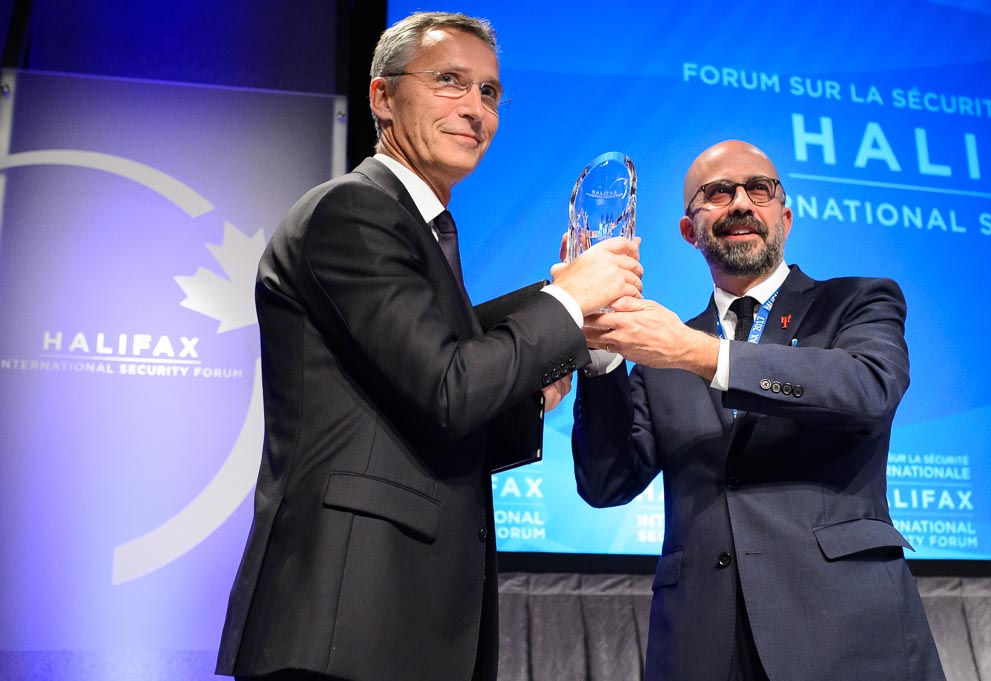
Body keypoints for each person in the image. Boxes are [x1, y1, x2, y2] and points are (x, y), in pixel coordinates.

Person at [216, 11, 641, 681]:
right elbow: (449, 387)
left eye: (490, 92)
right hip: (345, 621)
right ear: (383, 97)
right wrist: (565, 302)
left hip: (405, 623)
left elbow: (425, 407)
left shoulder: (423, 233)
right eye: (450, 81)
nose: (475, 109)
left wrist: (543, 361)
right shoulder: (351, 211)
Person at [572, 140, 945, 681]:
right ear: (688, 230)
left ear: (784, 217)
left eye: (758, 189)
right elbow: (606, 483)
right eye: (718, 192)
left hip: (849, 634)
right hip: (702, 643)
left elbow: (869, 389)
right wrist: (603, 353)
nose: (741, 202)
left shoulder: (856, 303)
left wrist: (699, 354)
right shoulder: (659, 351)